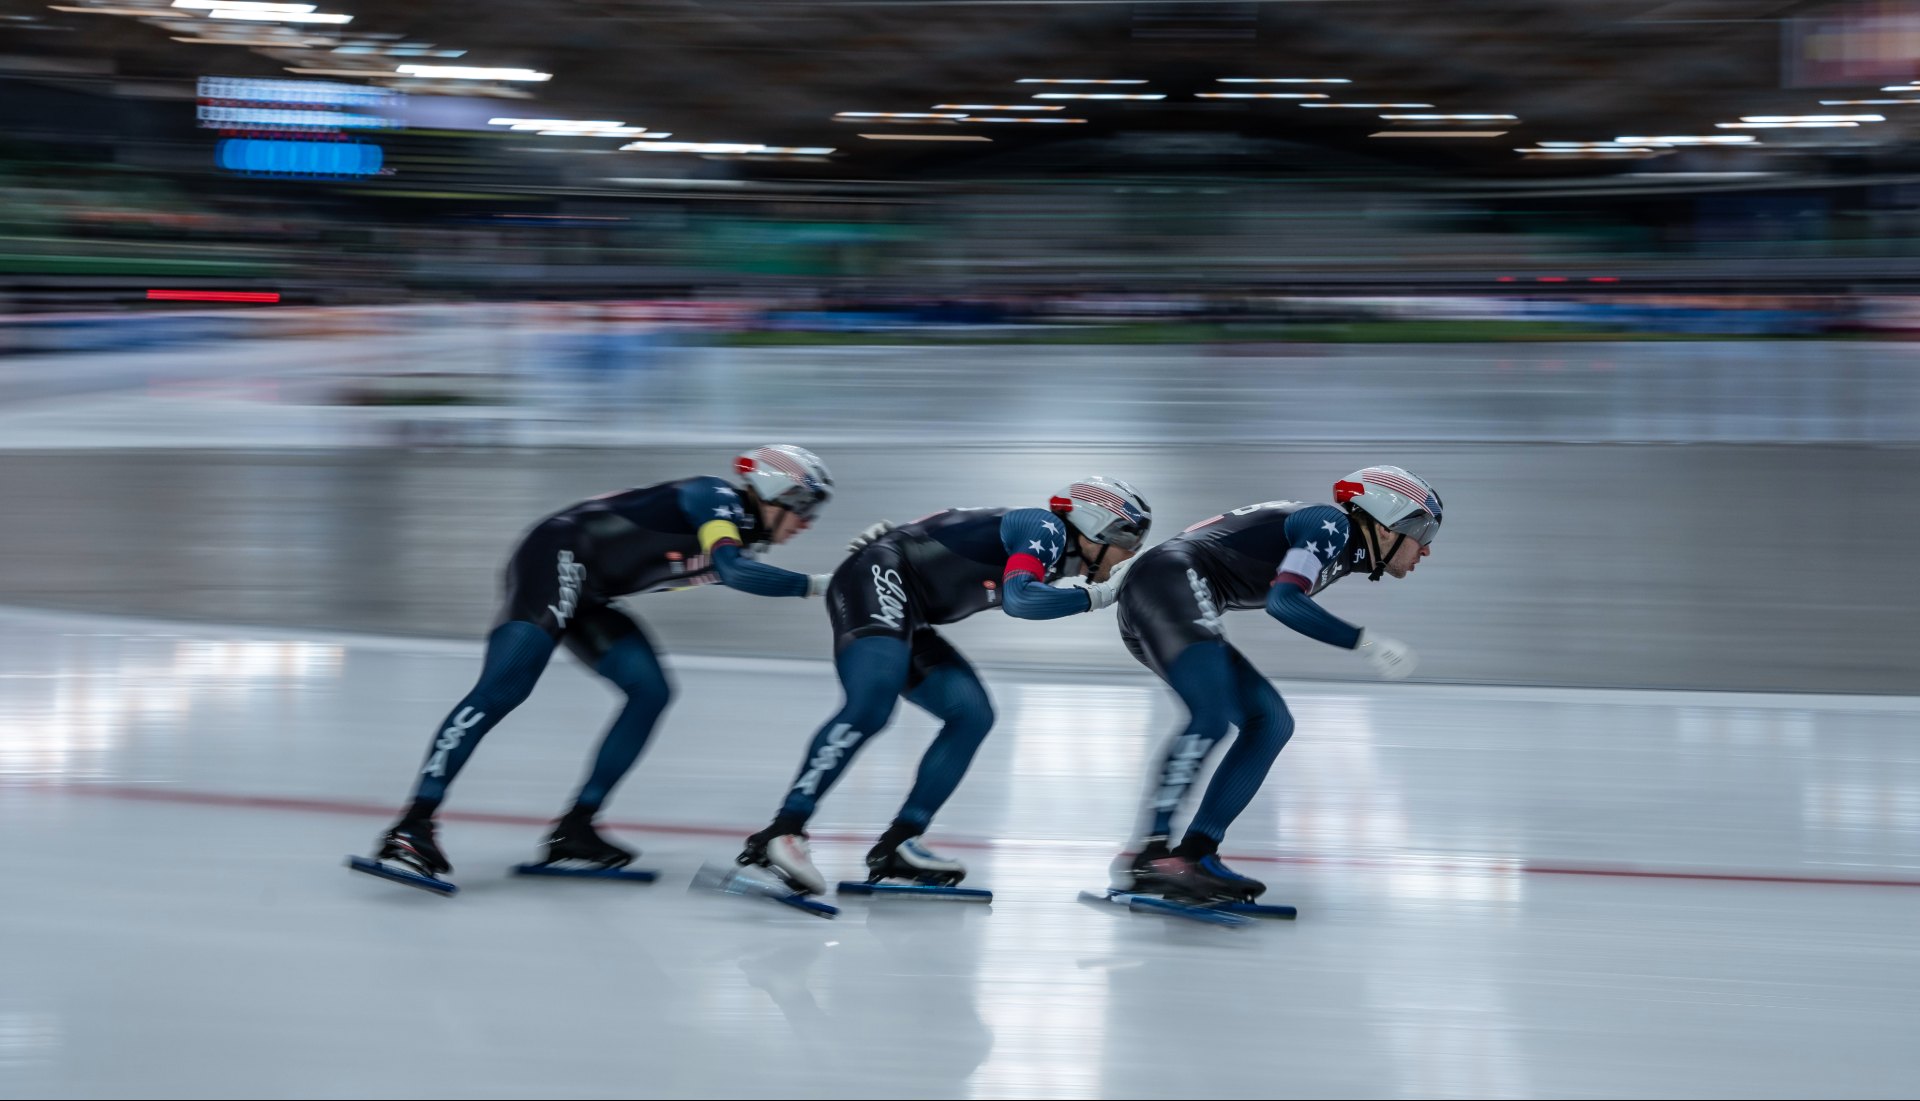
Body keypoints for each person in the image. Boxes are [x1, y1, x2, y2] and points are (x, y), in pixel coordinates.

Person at [365, 445, 836, 884]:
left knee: (650, 692)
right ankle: (412, 825)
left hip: (591, 592)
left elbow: (730, 565)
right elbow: (734, 572)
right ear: (780, 491)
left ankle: (576, 827)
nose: (809, 523)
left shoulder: (741, 537)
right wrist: (819, 586)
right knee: (503, 689)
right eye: (807, 508)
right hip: (556, 555)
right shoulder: (714, 497)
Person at [738, 477, 1153, 895]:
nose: (1131, 554)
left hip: (905, 605)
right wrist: (1097, 597)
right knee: (871, 706)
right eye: (1130, 540)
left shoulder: (1057, 551)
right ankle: (784, 830)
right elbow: (1020, 600)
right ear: (1100, 526)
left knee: (971, 715)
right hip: (879, 577)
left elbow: (954, 527)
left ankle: (900, 842)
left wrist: (905, 533)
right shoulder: (1048, 529)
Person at [1110, 465, 1441, 903]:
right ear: (1387, 520)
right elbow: (1285, 603)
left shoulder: (1338, 542)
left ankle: (1195, 854)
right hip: (1166, 584)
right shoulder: (1333, 524)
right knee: (1210, 717)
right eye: (1423, 529)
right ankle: (1151, 854)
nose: (1426, 549)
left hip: (1169, 594)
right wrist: (1365, 642)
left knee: (1271, 722)